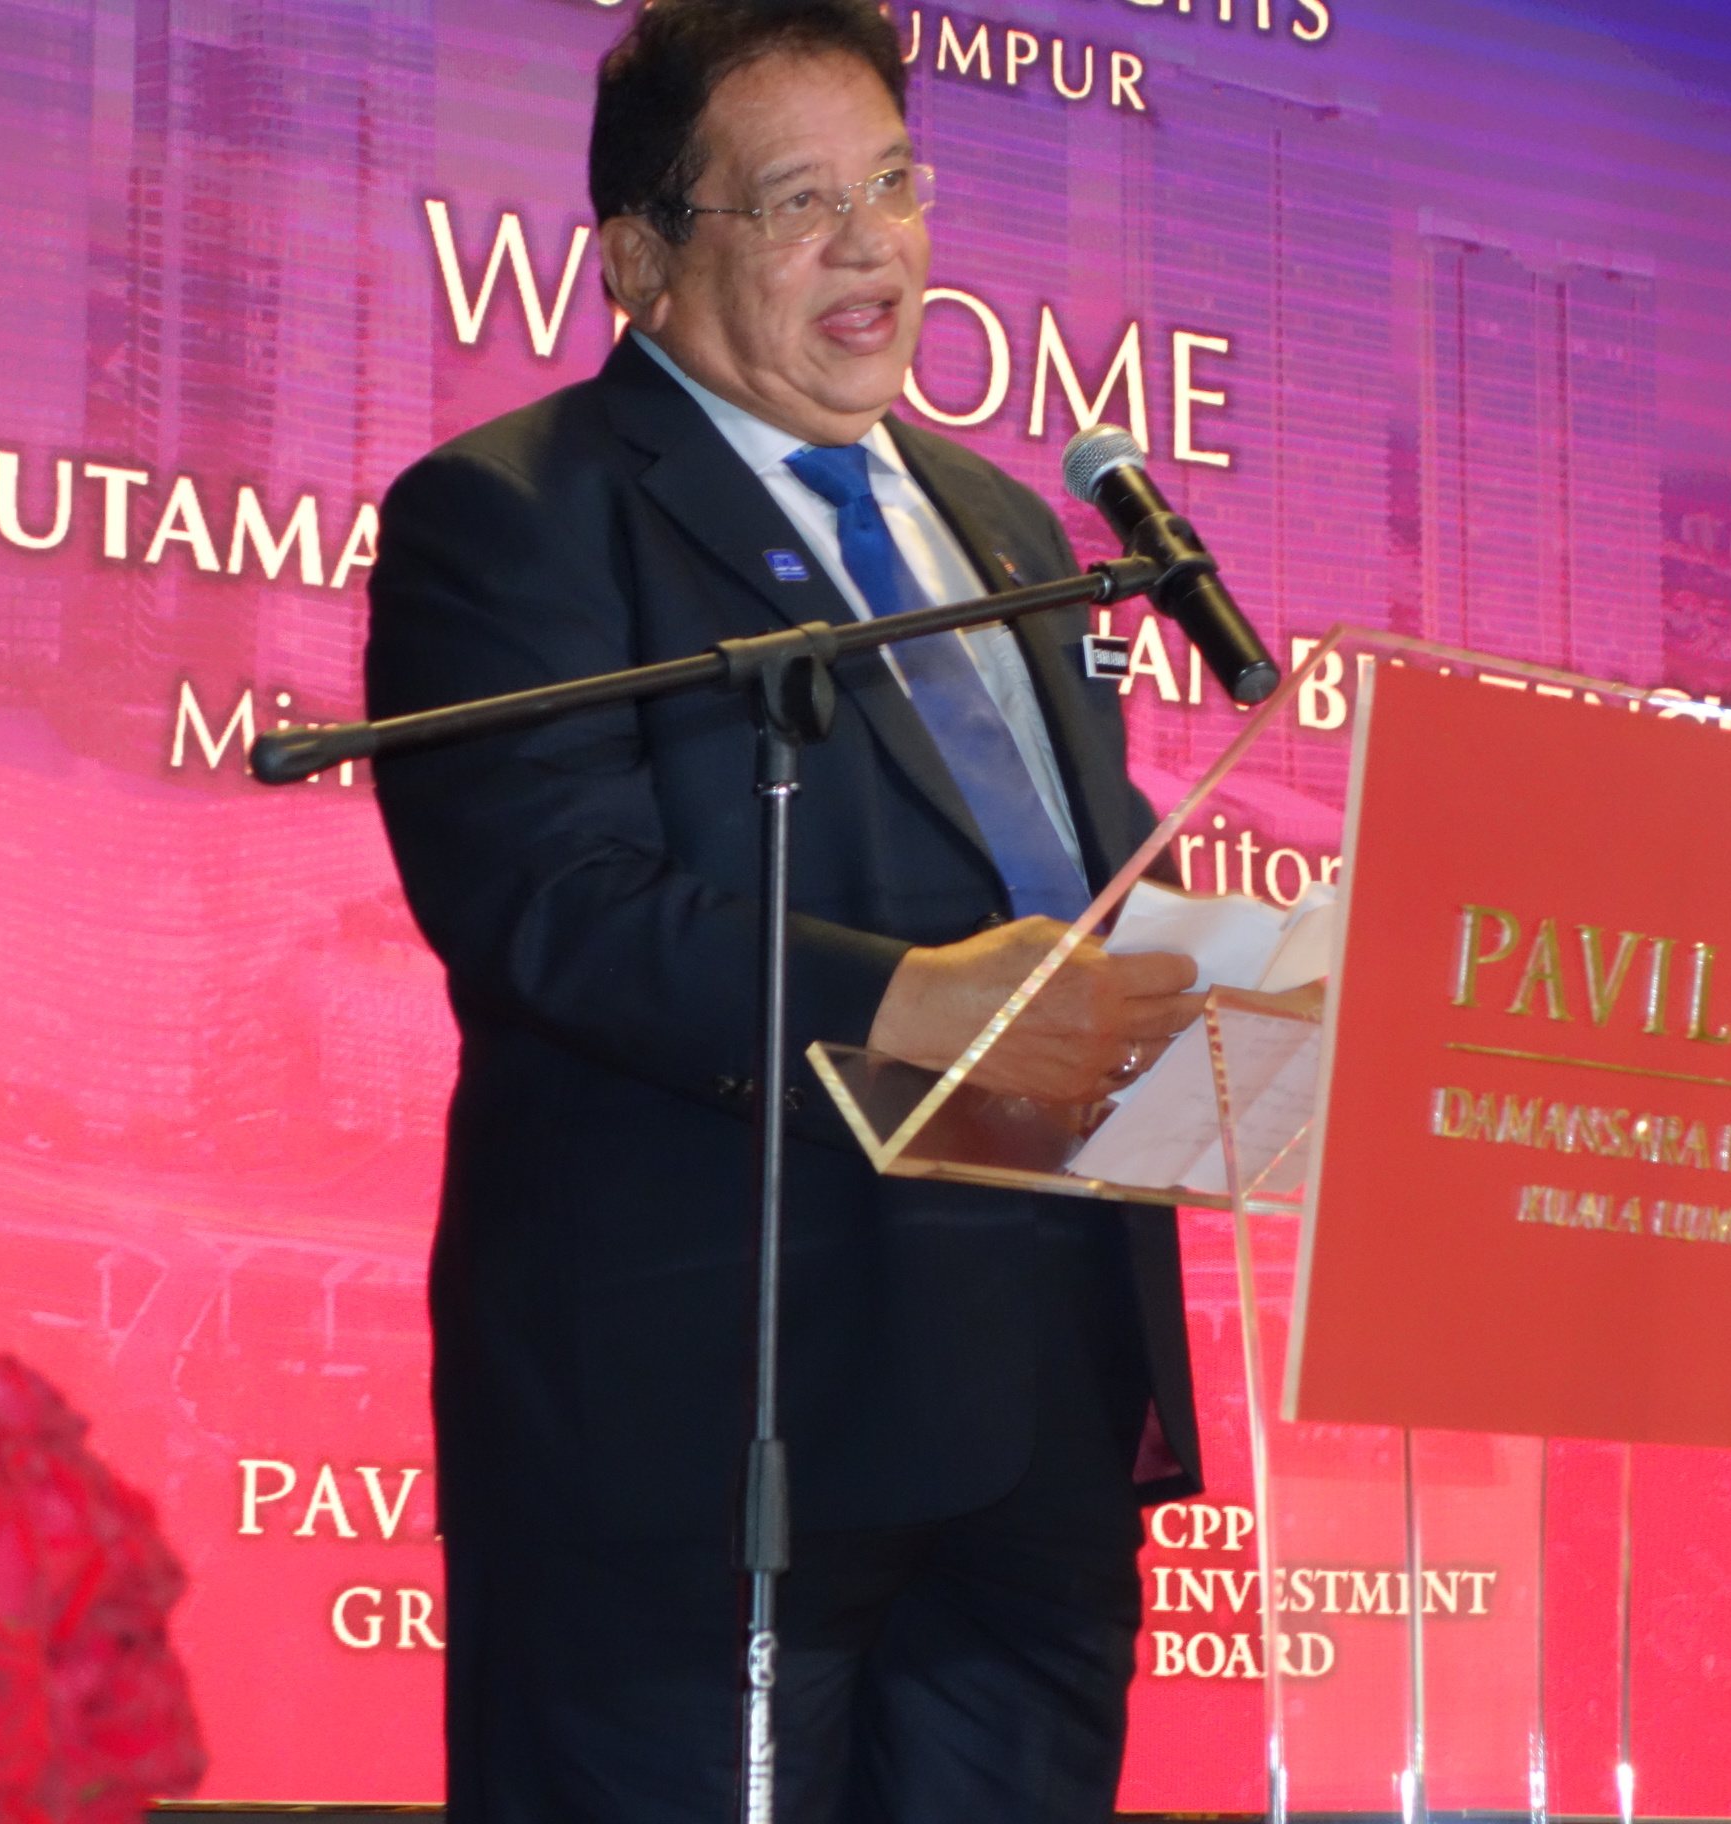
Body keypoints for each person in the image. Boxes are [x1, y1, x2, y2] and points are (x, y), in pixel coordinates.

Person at [363, 2, 1208, 1818]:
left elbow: (1076, 878)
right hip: (703, 1418)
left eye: (892, 185)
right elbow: (553, 906)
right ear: (638, 262)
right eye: (798, 201)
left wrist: (1236, 991)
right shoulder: (518, 512)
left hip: (1040, 1410)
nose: (870, 244)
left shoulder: (1002, 525)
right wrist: (913, 1005)